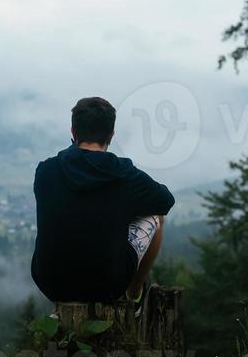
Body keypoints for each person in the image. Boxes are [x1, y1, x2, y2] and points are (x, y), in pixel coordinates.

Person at [31, 97, 176, 303]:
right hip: (106, 286)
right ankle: (134, 294)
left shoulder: (45, 170)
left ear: (73, 131)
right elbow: (165, 201)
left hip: (49, 282)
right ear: (111, 134)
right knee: (156, 217)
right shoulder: (123, 174)